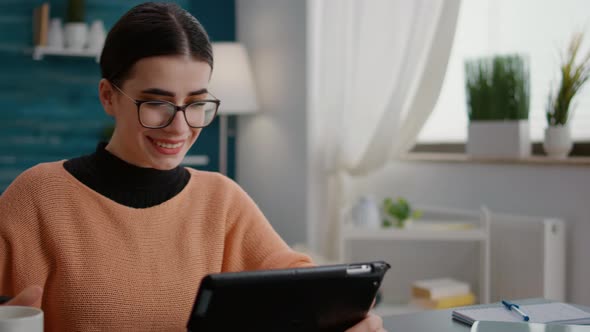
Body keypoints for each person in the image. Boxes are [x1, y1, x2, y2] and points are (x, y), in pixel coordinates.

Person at [0, 2, 385, 331]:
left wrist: (350, 317)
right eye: (157, 103)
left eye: (197, 103)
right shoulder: (39, 196)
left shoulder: (222, 199)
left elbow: (300, 281)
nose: (180, 126)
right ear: (108, 97)